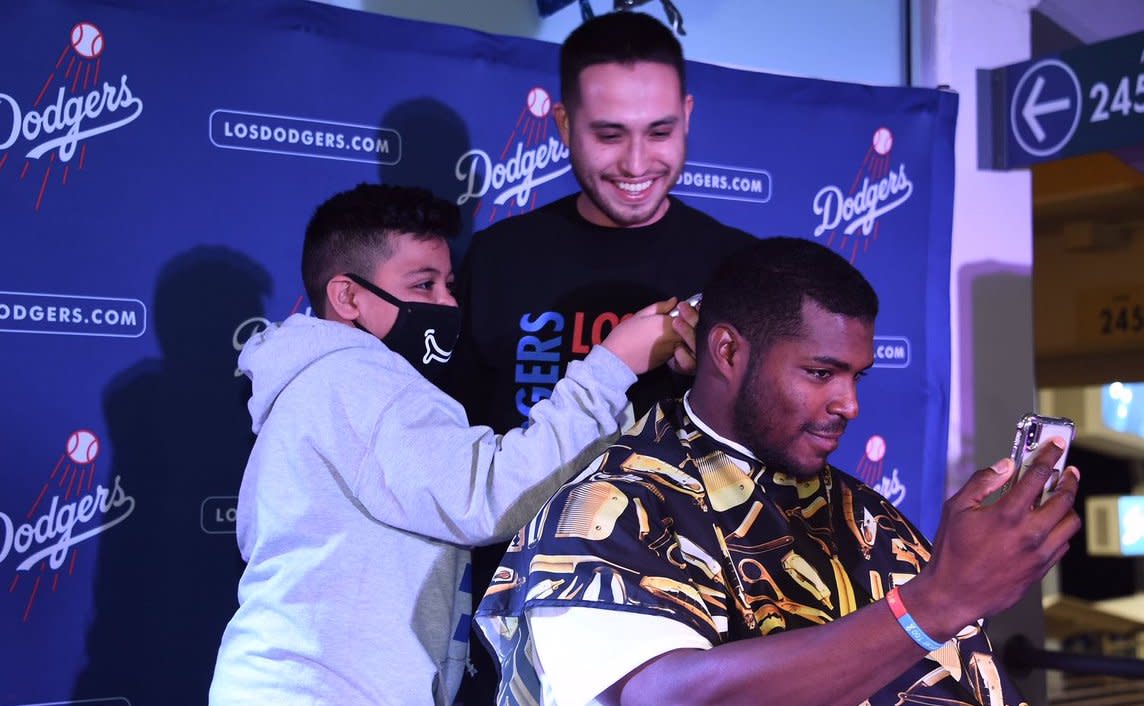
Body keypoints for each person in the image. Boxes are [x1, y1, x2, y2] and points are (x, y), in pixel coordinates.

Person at [475, 236, 1082, 706]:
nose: (850, 404)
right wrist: (936, 601)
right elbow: (666, 697)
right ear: (729, 352)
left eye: (856, 376)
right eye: (821, 373)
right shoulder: (611, 507)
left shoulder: (870, 518)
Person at [208, 183, 694, 705]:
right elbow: (487, 494)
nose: (446, 303)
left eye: (448, 284)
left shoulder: (321, 383)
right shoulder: (353, 378)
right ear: (348, 296)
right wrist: (613, 364)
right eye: (423, 286)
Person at [448, 13, 757, 698]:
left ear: (688, 116)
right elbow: (457, 460)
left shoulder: (740, 266)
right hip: (524, 634)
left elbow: (780, 464)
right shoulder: (499, 259)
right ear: (562, 124)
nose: (637, 163)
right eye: (608, 134)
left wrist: (714, 381)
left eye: (660, 131)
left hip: (694, 629)